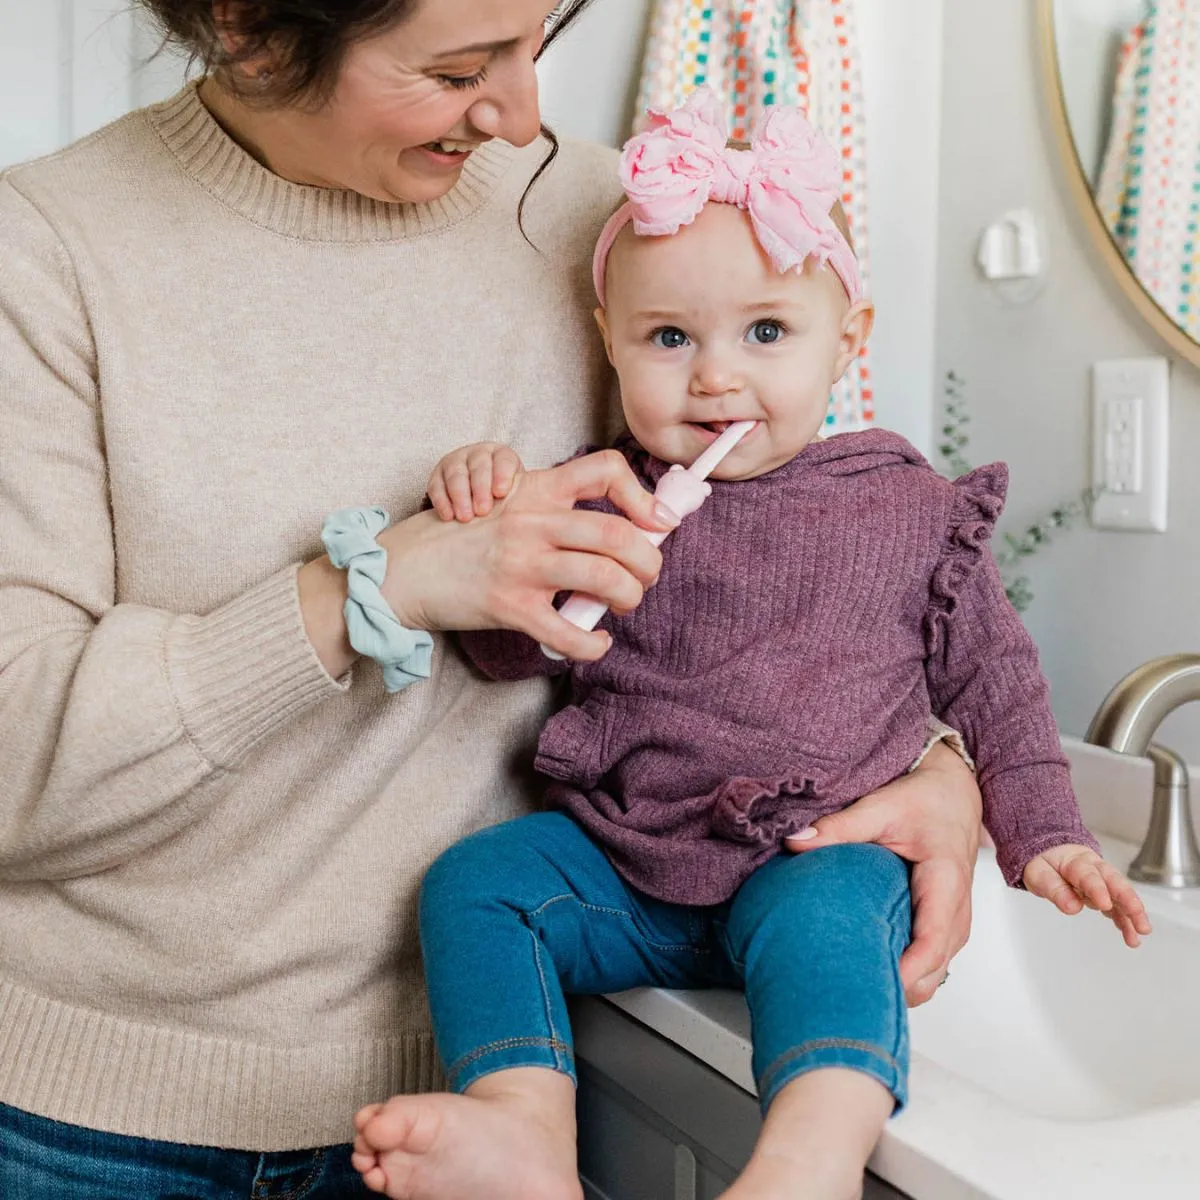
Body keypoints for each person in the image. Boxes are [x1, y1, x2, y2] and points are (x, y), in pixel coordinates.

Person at [0, 2, 982, 1194]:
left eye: (537, 48)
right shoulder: (42, 254)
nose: (523, 116)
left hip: (500, 1091)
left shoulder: (615, 225)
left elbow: (784, 557)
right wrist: (382, 588)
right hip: (101, 1128)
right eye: (461, 69)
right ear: (248, 25)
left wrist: (934, 762)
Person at [351, 91, 1152, 1200]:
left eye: (766, 333)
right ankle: (523, 1125)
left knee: (834, 927)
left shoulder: (903, 507)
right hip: (628, 870)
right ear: (611, 344)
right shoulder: (604, 496)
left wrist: (1048, 833)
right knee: (479, 883)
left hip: (809, 857)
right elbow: (508, 658)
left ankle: (806, 1164)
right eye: (670, 339)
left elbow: (998, 684)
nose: (717, 378)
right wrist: (488, 529)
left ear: (847, 342)